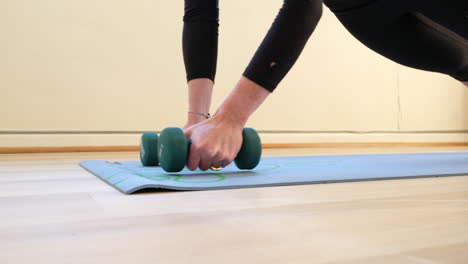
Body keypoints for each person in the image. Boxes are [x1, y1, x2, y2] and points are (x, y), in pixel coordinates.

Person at [180, 0, 468, 171]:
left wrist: (230, 118)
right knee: (461, 64)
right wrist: (198, 122)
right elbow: (200, 15)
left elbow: (303, 8)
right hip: (361, 11)